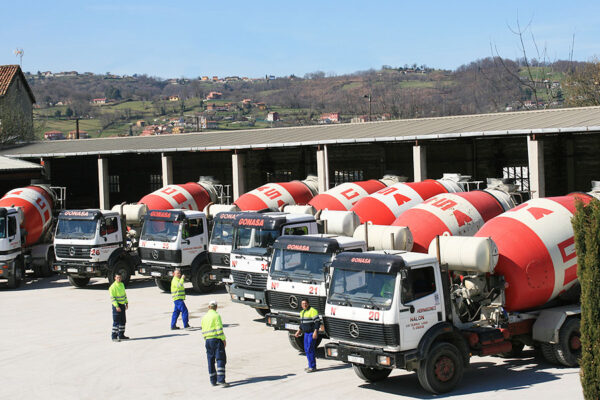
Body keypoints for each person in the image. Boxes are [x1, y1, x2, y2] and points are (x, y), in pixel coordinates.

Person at [201, 300, 229, 387]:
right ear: (216, 307)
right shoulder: (216, 316)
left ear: (209, 307)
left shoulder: (204, 317)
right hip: (216, 340)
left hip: (207, 341)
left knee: (210, 360)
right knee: (220, 359)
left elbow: (203, 330)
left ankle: (213, 381)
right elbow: (219, 329)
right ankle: (221, 379)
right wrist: (223, 339)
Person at [294, 298, 320, 372]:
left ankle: (313, 367)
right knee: (306, 349)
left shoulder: (313, 311)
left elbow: (317, 322)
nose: (304, 305)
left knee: (310, 349)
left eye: (305, 303)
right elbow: (302, 324)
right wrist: (298, 331)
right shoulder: (302, 312)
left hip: (311, 333)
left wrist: (315, 332)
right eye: (302, 304)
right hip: (306, 333)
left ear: (308, 303)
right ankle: (310, 365)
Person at [109, 273, 129, 342]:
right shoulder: (113, 287)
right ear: (115, 278)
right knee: (116, 321)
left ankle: (121, 335)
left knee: (123, 321)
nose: (119, 279)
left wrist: (126, 302)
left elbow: (124, 294)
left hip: (122, 305)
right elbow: (113, 298)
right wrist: (117, 306)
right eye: (117, 277)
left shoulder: (122, 284)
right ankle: (114, 336)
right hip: (116, 306)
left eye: (120, 277)